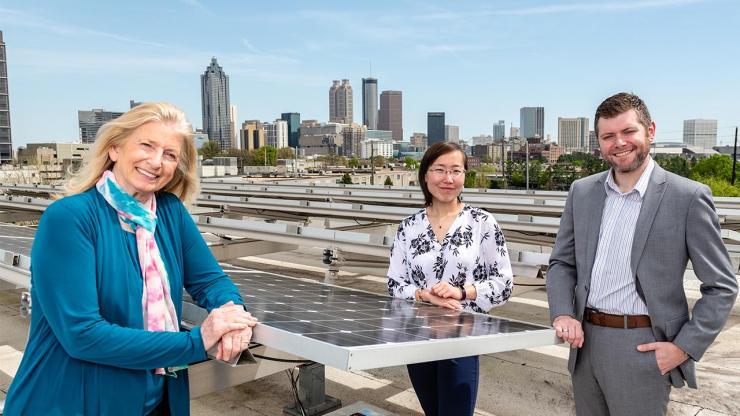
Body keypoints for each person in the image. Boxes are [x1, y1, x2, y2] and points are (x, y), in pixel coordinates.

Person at [5, 103, 258, 415]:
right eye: (147, 145)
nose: (156, 162)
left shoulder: (169, 212)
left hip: (155, 401)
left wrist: (232, 316)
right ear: (114, 149)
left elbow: (210, 280)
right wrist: (198, 340)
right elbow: (82, 335)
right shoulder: (69, 219)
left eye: (170, 154)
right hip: (73, 401)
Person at [547, 92, 738, 415]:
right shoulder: (582, 192)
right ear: (599, 142)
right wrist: (563, 312)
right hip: (585, 344)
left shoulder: (687, 197)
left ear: (650, 130)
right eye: (608, 136)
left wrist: (683, 348)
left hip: (643, 346)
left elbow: (722, 286)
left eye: (628, 132)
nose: (619, 142)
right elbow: (562, 263)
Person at [387, 141, 513, 416]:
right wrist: (423, 295)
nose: (448, 179)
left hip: (462, 337)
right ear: (425, 175)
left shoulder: (482, 223)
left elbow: (504, 284)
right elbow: (394, 283)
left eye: (456, 170)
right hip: (417, 336)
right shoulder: (408, 227)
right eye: (439, 170)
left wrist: (462, 292)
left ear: (465, 175)